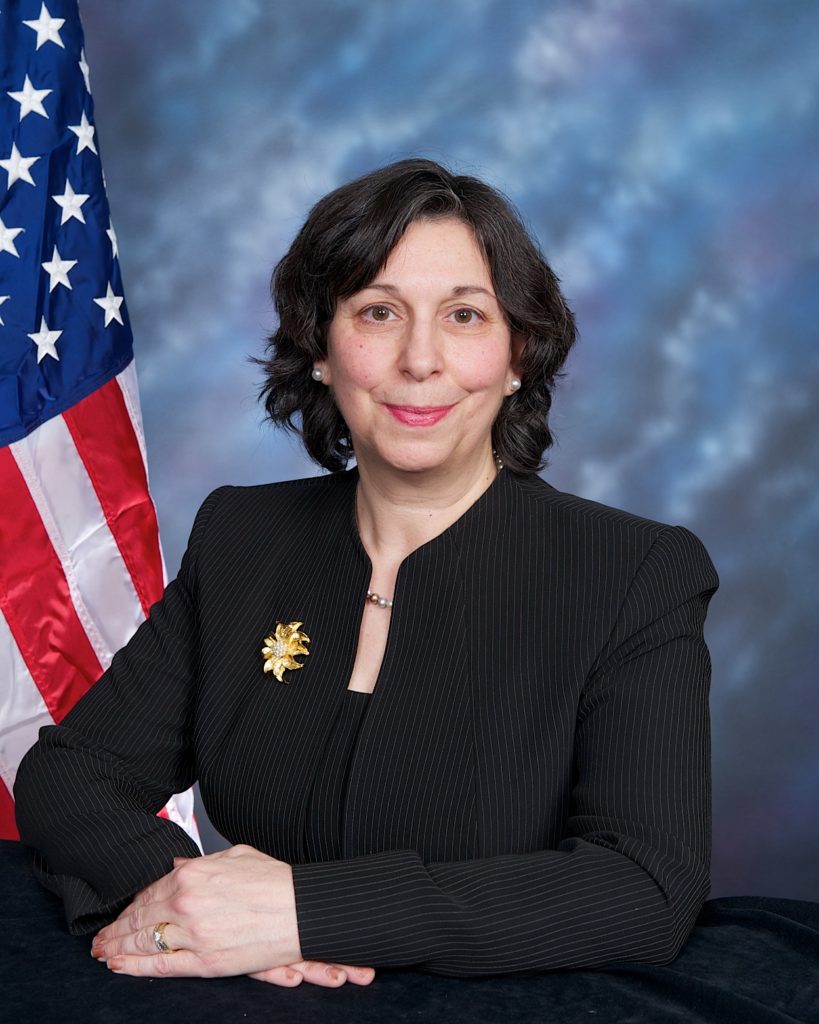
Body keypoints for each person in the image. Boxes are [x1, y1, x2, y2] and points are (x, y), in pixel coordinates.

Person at [14, 158, 719, 987]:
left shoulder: (634, 573)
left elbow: (644, 885)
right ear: (320, 348)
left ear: (517, 356)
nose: (419, 360)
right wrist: (198, 907)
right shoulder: (244, 537)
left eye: (464, 315)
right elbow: (72, 772)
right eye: (378, 312)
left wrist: (303, 914)